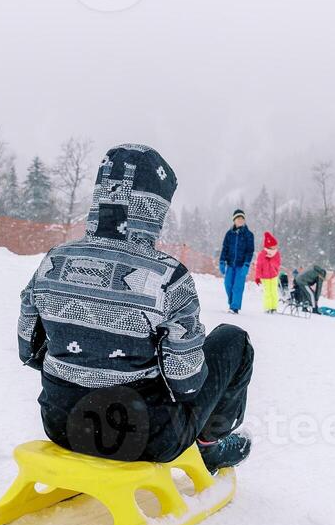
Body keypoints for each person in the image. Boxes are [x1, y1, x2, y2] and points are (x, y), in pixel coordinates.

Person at [19, 144, 253, 472]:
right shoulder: (168, 276)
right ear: (154, 209)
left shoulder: (53, 260)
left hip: (62, 425)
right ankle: (207, 446)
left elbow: (29, 350)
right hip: (144, 438)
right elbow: (186, 383)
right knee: (233, 340)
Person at [218, 209, 256, 314]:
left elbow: (250, 251)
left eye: (242, 218)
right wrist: (222, 261)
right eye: (238, 218)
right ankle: (232, 302)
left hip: (241, 266)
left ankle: (235, 307)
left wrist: (247, 264)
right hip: (230, 265)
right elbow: (225, 248)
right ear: (234, 220)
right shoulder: (229, 234)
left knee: (238, 287)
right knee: (228, 284)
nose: (240, 220)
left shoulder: (249, 235)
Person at [253, 231, 282, 314]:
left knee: (274, 292)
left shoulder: (276, 254)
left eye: (275, 246)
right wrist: (257, 277)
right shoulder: (262, 254)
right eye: (272, 246)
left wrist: (271, 260)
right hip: (264, 277)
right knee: (267, 293)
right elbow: (258, 267)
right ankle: (268, 307)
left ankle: (274, 308)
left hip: (273, 276)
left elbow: (277, 264)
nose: (274, 248)